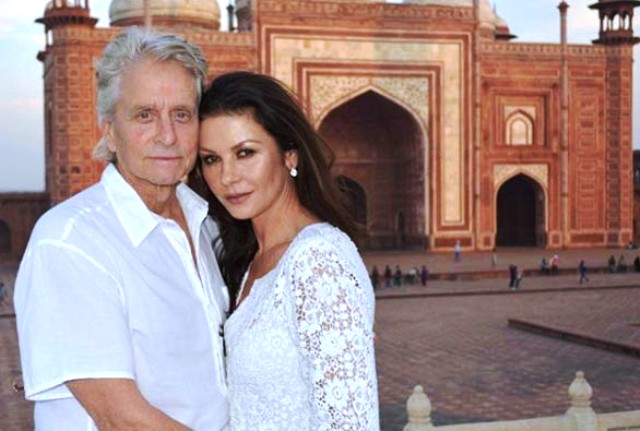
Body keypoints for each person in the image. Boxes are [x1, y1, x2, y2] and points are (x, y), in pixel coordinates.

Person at [13, 28, 229, 430]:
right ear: (110, 131)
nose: (168, 135)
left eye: (182, 115)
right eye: (145, 115)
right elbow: (122, 419)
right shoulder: (71, 242)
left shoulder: (207, 228)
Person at [192, 71, 379, 429]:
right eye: (211, 159)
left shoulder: (317, 259)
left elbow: (350, 424)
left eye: (245, 153)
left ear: (289, 155)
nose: (227, 177)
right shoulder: (255, 258)